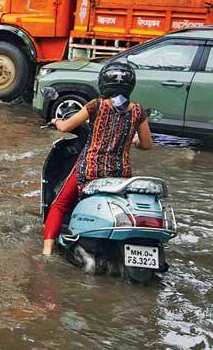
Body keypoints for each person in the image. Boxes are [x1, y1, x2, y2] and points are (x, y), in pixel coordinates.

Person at [41, 61, 153, 257]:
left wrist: (56, 121)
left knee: (59, 205)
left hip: (90, 169)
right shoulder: (137, 111)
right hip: (121, 175)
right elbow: (147, 145)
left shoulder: (96, 105)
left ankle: (46, 253)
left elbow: (66, 127)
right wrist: (134, 141)